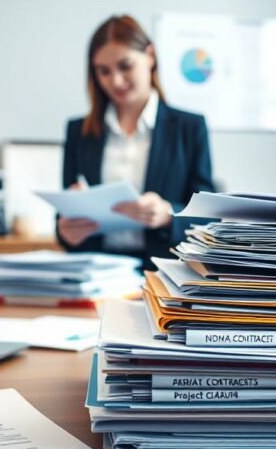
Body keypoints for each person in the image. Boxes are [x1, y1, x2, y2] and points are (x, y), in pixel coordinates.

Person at [57, 15, 215, 268]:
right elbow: (65, 218)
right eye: (103, 71)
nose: (115, 81)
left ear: (150, 56)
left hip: (165, 276)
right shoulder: (79, 132)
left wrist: (167, 216)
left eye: (125, 66)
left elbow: (208, 218)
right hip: (97, 275)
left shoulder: (189, 128)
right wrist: (65, 231)